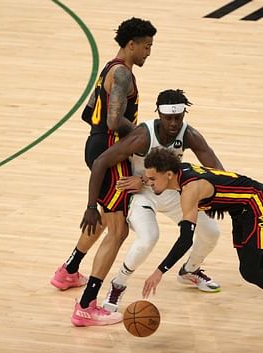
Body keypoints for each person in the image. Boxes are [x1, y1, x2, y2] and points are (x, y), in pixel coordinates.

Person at [141, 147, 263, 330]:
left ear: (168, 174)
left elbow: (185, 240)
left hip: (257, 203)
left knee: (250, 270)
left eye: (151, 179)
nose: (149, 183)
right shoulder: (178, 171)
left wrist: (159, 271)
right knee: (253, 264)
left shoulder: (189, 190)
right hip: (240, 210)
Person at [50, 17, 157, 327]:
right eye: (147, 46)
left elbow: (88, 112)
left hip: (96, 146)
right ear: (131, 44)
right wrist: (141, 134)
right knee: (119, 229)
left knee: (103, 215)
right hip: (111, 154)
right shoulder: (123, 74)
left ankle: (68, 271)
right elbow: (113, 121)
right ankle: (86, 306)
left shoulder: (109, 68)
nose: (149, 53)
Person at [89, 89, 223, 314]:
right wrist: (91, 206)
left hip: (171, 191)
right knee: (149, 237)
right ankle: (118, 284)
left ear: (184, 115)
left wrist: (218, 198)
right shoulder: (143, 135)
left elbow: (216, 170)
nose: (173, 123)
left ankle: (190, 270)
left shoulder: (189, 135)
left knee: (211, 232)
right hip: (141, 193)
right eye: (168, 118)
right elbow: (101, 161)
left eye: (178, 118)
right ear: (159, 114)